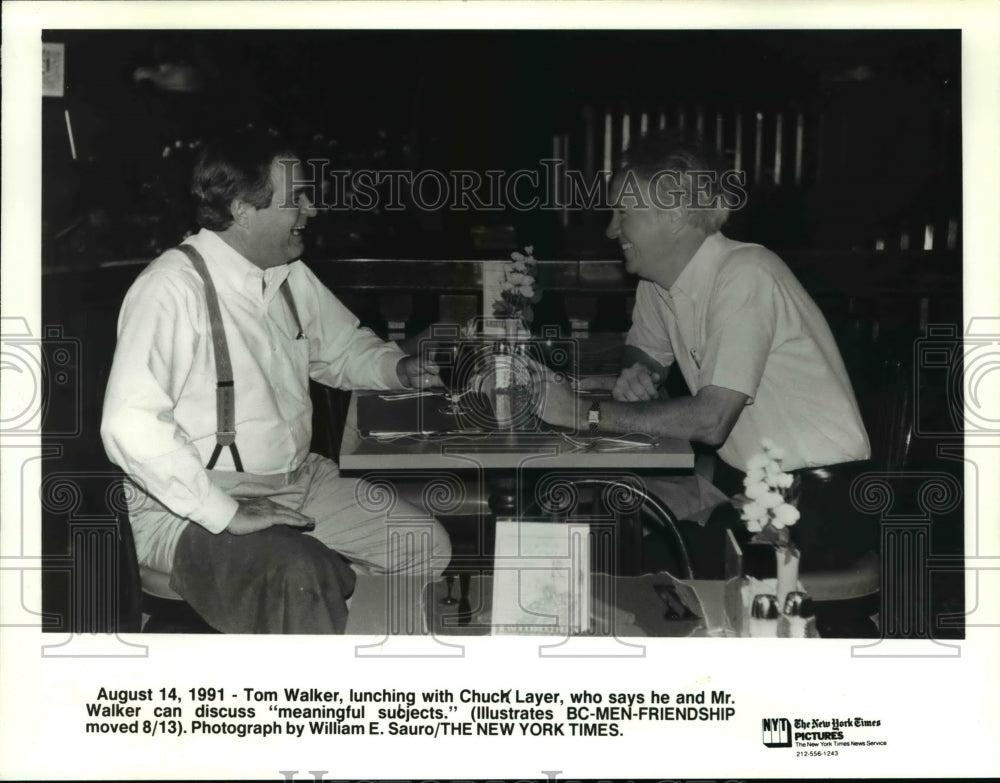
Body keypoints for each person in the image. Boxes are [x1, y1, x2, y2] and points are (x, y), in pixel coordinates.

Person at [101, 128, 451, 633]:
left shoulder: (286, 274)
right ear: (244, 209)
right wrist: (222, 511)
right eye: (297, 199)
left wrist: (398, 368)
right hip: (185, 505)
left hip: (295, 482)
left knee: (423, 547)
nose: (310, 210)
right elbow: (127, 422)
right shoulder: (171, 287)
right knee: (299, 571)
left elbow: (343, 348)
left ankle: (349, 653)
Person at [534, 129, 873, 577]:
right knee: (600, 527)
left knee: (616, 563)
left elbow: (711, 421)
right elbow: (644, 356)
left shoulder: (747, 272)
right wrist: (638, 373)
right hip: (744, 486)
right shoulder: (659, 280)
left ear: (673, 214)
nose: (611, 229)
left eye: (622, 212)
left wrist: (583, 413)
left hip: (821, 505)